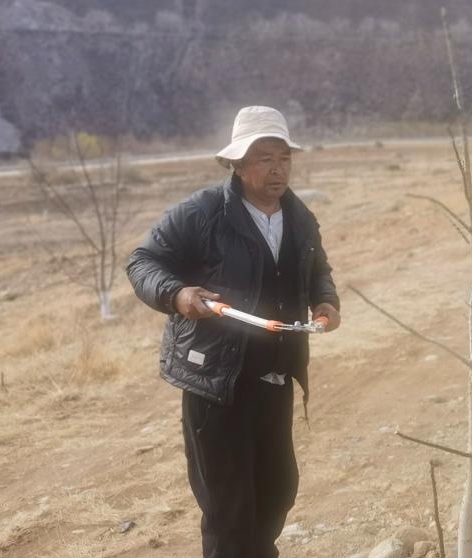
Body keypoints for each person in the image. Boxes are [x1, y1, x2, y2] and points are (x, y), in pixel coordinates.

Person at [127, 105, 340, 558]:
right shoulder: (202, 212)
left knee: (277, 491)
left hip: (275, 380)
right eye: (265, 158)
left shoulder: (299, 217)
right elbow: (143, 261)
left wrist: (326, 300)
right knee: (228, 511)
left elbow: (317, 269)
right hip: (216, 385)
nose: (278, 168)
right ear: (237, 165)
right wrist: (178, 295)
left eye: (284, 157)